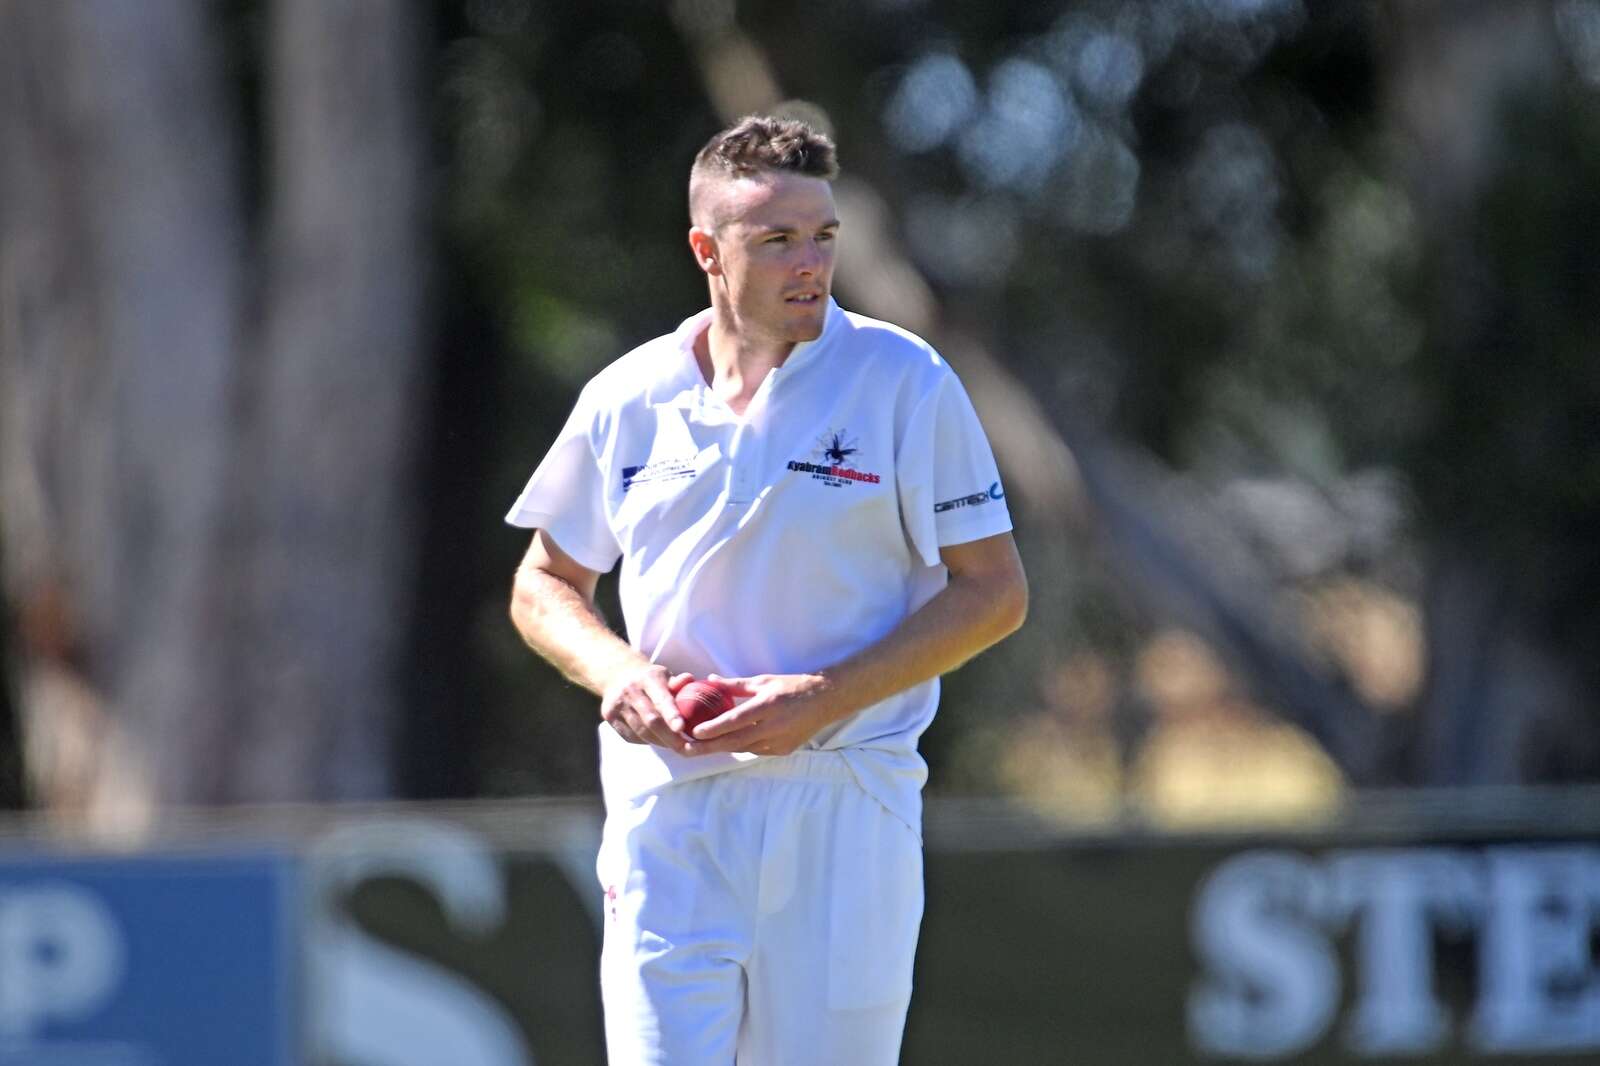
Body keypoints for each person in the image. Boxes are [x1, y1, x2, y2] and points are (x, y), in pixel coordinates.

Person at [507, 114, 1027, 1065]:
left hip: (847, 803)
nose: (811, 264)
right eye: (777, 239)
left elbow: (994, 592)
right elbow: (544, 583)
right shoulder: (628, 396)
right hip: (669, 813)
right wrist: (620, 676)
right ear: (707, 251)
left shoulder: (905, 381)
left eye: (824, 236)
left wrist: (822, 699)